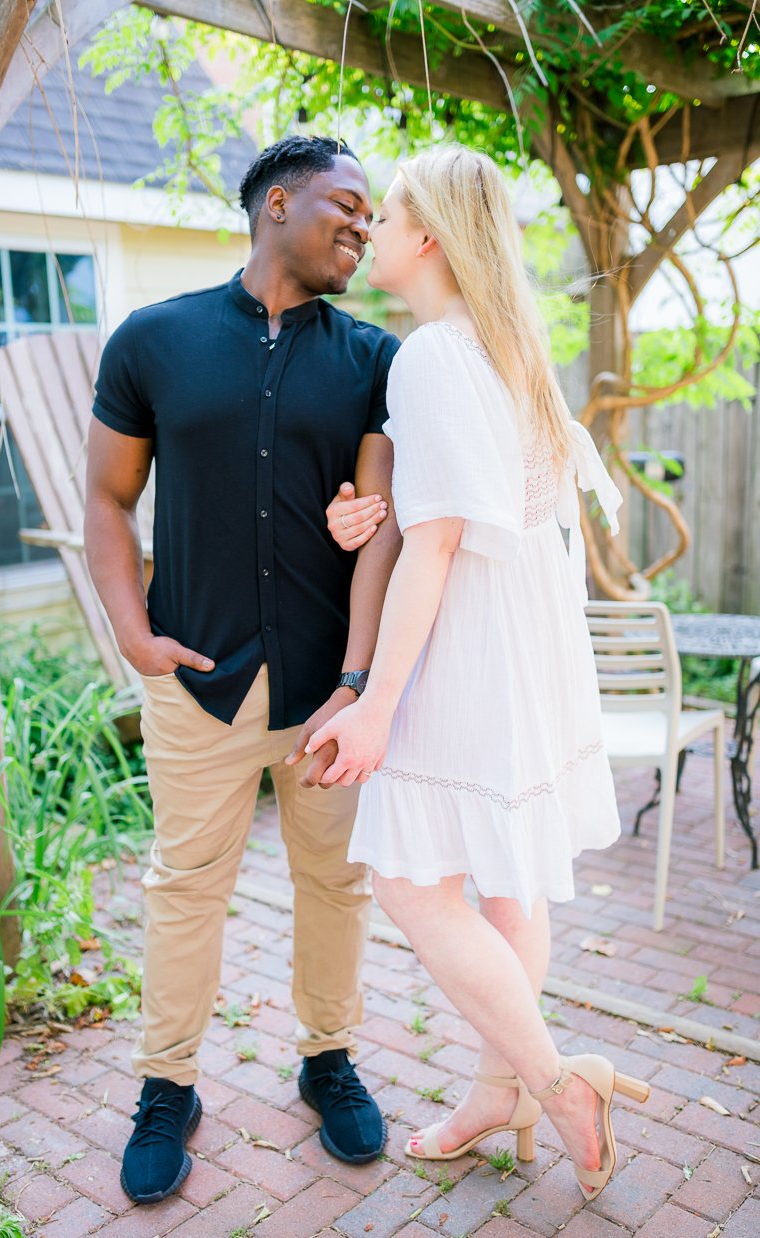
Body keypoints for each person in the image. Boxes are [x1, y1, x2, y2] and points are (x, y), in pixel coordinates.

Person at [309, 144, 650, 1201]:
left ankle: (552, 1081)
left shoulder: (430, 356)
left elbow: (442, 542)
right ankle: (498, 1090)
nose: (372, 224)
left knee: (417, 883)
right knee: (507, 870)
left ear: (429, 237)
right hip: (528, 631)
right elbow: (458, 513)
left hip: (470, 638)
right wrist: (367, 510)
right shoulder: (503, 349)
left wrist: (375, 703)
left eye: (390, 207)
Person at [84, 135, 402, 1204]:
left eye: (375, 214)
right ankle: (168, 1084)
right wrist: (135, 631)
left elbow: (383, 522)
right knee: (185, 887)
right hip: (197, 676)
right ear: (278, 202)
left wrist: (359, 664)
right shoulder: (152, 340)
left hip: (326, 687)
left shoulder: (372, 359)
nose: (366, 224)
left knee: (336, 882)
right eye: (347, 205)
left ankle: (327, 1056)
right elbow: (107, 501)